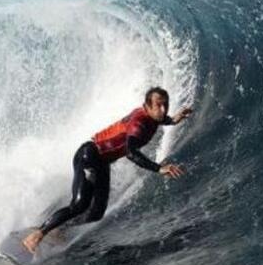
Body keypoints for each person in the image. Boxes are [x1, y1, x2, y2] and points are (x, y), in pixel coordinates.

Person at [22, 86, 191, 253]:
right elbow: (131, 153)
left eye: (165, 105)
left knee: (96, 213)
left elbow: (161, 118)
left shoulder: (153, 116)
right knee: (80, 205)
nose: (163, 109)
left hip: (102, 162)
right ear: (147, 106)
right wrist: (158, 169)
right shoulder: (138, 123)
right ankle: (38, 234)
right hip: (89, 155)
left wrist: (173, 119)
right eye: (158, 105)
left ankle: (59, 228)